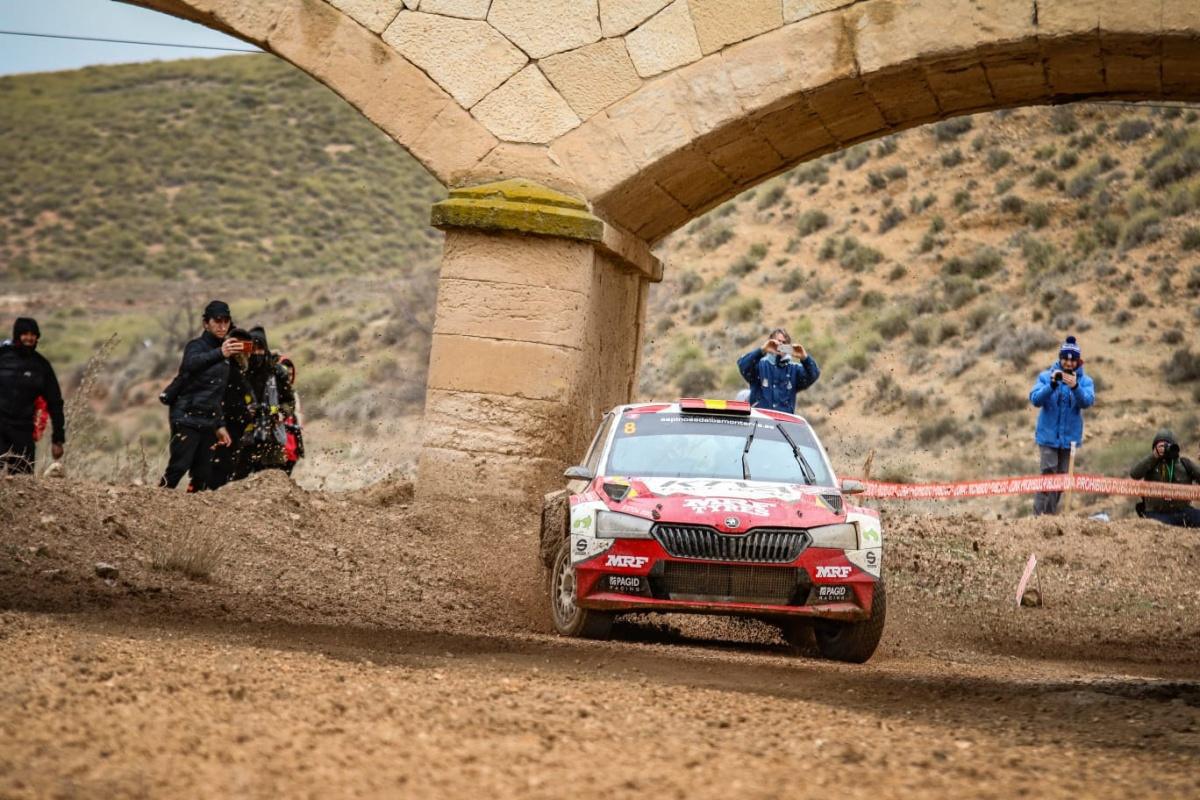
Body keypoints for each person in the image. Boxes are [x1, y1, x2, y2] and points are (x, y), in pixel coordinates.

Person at [160, 300, 238, 491]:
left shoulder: (227, 355)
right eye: (217, 321)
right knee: (179, 466)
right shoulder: (196, 346)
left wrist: (220, 425)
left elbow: (217, 394)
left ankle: (193, 508)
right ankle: (156, 500)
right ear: (206, 323)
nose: (222, 326)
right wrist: (220, 353)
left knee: (203, 473)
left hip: (209, 420)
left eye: (226, 321)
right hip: (185, 416)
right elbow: (191, 363)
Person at [1029, 335, 1095, 515]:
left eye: (1073, 360)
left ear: (1078, 362)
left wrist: (1075, 387)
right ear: (1060, 358)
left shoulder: (1085, 381)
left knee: (1061, 480)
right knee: (1048, 474)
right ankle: (1038, 517)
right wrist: (1051, 385)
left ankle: (1050, 517)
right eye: (1065, 359)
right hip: (1048, 437)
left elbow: (1087, 402)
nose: (1069, 363)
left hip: (1069, 440)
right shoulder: (1045, 376)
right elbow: (1035, 399)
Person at [0, 318, 65, 474]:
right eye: (25, 334)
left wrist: (58, 439)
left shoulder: (42, 366)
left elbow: (55, 403)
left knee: (24, 482)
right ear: (17, 335)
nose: (29, 338)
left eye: (33, 335)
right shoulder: (2, 356)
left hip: (23, 432)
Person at [234, 326, 294, 478]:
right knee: (238, 482)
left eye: (260, 348)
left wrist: (281, 413)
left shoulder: (277, 372)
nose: (257, 353)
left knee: (271, 481)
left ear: (265, 348)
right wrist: (244, 411)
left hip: (272, 437)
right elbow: (229, 402)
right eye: (253, 349)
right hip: (244, 436)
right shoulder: (239, 372)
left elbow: (289, 401)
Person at [206, 327, 254, 490]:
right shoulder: (225, 367)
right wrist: (219, 425)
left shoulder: (239, 369)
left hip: (234, 427)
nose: (246, 351)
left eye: (247, 346)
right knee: (219, 470)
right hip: (224, 427)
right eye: (239, 345)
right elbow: (221, 399)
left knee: (227, 470)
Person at [736, 328, 820, 413]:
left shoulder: (795, 370)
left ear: (789, 347)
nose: (780, 345)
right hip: (759, 419)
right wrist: (762, 350)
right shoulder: (759, 366)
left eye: (784, 343)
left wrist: (805, 358)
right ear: (770, 342)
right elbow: (743, 365)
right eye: (778, 341)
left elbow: (813, 375)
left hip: (783, 421)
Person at [1130, 429, 1200, 528]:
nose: (1165, 449)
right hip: (1157, 513)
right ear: (1155, 448)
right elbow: (1134, 474)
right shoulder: (1151, 464)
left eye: (1168, 445)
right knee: (1158, 526)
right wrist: (1153, 456)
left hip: (1182, 511)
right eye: (1161, 446)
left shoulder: (1184, 464)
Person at [278, 355, 304, 476]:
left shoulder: (293, 393)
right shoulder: (272, 390)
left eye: (290, 374)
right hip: (279, 436)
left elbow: (298, 415)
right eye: (286, 374)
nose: (288, 377)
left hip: (292, 439)